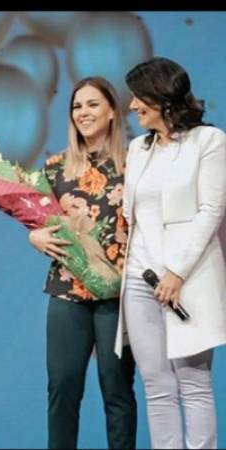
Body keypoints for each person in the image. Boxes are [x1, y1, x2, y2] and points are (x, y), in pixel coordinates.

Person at [114, 56, 226, 449]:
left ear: (161, 95)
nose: (131, 106)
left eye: (136, 97)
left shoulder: (209, 141)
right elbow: (134, 216)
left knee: (194, 383)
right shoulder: (138, 149)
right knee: (157, 386)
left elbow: (211, 210)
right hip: (139, 278)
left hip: (188, 278)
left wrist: (176, 272)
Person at [28, 77, 137, 449]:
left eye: (92, 104)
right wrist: (33, 236)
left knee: (117, 387)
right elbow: (40, 223)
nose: (83, 113)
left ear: (111, 112)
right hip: (66, 291)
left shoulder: (135, 162)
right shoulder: (55, 168)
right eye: (77, 106)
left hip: (119, 295)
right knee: (62, 387)